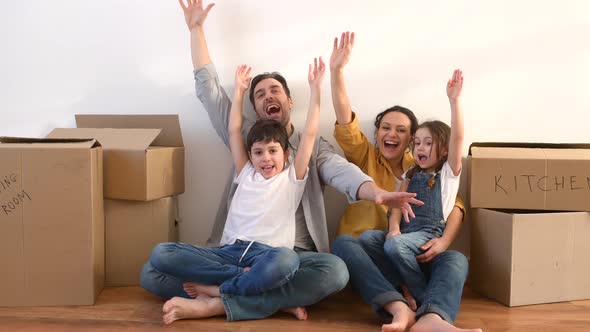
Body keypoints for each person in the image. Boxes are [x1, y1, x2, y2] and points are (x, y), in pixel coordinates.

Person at [140, 1, 423, 325]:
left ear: (289, 101)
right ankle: (267, 297)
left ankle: (218, 301)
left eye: (275, 90)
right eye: (259, 94)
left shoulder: (309, 147)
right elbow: (211, 93)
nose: (267, 96)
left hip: (292, 256)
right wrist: (196, 30)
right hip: (234, 252)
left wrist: (374, 192)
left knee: (334, 272)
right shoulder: (246, 144)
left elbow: (339, 170)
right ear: (255, 109)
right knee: (151, 272)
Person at [329, 31, 481, 332]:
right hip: (377, 258)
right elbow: (345, 119)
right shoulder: (366, 157)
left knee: (456, 260)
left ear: (412, 140)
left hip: (418, 251)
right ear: (376, 134)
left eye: (401, 130)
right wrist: (337, 72)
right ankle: (403, 304)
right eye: (385, 128)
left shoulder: (427, 170)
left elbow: (455, 206)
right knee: (346, 243)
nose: (391, 134)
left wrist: (444, 242)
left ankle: (433, 319)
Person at [386, 68, 465, 308]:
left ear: (443, 150)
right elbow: (397, 207)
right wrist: (393, 229)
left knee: (395, 245)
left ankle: (420, 295)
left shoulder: (448, 174)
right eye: (417, 143)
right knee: (372, 239)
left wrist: (454, 101)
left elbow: (458, 139)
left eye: (428, 143)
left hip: (429, 233)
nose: (420, 148)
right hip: (406, 233)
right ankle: (408, 285)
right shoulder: (411, 174)